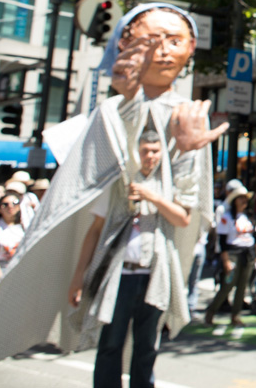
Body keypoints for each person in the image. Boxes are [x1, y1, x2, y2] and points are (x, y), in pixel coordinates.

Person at [0, 3, 226, 374]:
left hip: (156, 261)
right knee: (110, 346)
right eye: (151, 40)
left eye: (174, 41)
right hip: (116, 263)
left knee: (147, 347)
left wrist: (188, 151)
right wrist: (127, 101)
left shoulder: (189, 115)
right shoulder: (109, 111)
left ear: (191, 47)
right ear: (126, 44)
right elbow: (92, 186)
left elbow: (188, 206)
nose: (163, 51)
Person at [67, 129, 192, 388]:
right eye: (145, 150)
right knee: (111, 342)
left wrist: (152, 197)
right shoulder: (121, 183)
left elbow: (182, 219)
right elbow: (95, 230)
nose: (150, 156)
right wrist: (79, 276)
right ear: (137, 152)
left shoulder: (167, 184)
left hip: (153, 275)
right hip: (119, 275)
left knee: (147, 346)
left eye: (155, 151)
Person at [203, 185, 256, 328]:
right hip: (233, 253)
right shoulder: (227, 217)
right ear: (234, 200)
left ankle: (236, 315)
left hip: (248, 254)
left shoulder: (250, 217)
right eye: (240, 198)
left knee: (242, 285)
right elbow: (222, 241)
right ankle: (212, 311)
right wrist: (226, 260)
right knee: (228, 284)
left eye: (245, 199)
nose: (244, 201)